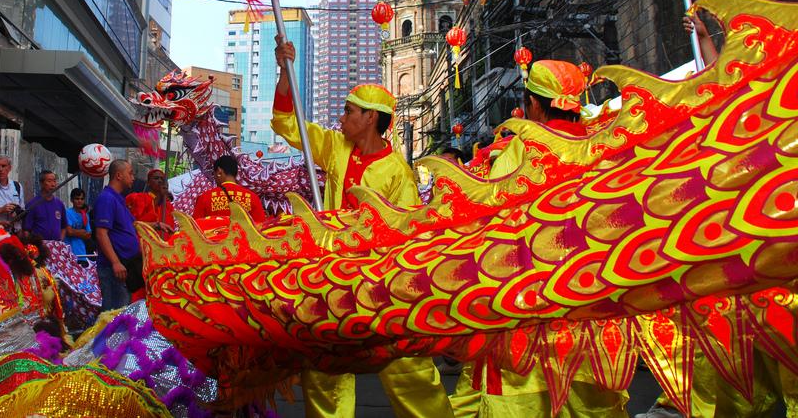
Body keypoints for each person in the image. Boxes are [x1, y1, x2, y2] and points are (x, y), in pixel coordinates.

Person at [272, 37, 452, 418]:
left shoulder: (397, 172)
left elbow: (408, 233)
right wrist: (284, 72)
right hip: (332, 279)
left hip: (380, 287)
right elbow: (290, 125)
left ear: (370, 118)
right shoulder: (334, 147)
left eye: (348, 111)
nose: (341, 118)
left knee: (409, 374)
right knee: (324, 374)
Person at [451, 60, 627, 417]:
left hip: (527, 314)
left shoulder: (520, 152)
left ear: (533, 104)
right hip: (595, 313)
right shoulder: (605, 148)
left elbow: (489, 225)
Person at [92, 159, 143, 310]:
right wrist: (115, 262)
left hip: (126, 265)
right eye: (130, 173)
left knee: (122, 311)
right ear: (119, 175)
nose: (133, 177)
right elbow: (101, 233)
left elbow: (132, 225)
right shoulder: (107, 198)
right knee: (114, 315)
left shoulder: (118, 199)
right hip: (113, 268)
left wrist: (157, 225)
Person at [192, 155, 267, 224]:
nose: (214, 178)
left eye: (213, 174)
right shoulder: (252, 198)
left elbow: (195, 230)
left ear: (219, 172)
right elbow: (261, 228)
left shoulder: (205, 198)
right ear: (236, 173)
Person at [126, 168, 177, 234]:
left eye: (162, 179)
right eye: (156, 178)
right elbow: (133, 224)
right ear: (148, 183)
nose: (160, 181)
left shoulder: (167, 206)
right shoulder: (139, 197)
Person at [23, 170, 68, 242]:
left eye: (54, 181)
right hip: (39, 246)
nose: (53, 184)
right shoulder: (32, 204)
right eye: (49, 181)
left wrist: (60, 241)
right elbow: (26, 230)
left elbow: (64, 227)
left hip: (56, 246)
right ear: (41, 183)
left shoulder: (60, 204)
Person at [65, 188, 92, 262]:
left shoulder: (85, 215)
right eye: (77, 199)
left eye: (82, 199)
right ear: (71, 200)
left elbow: (89, 234)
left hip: (82, 253)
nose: (80, 201)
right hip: (68, 253)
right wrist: (82, 232)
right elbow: (69, 232)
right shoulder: (67, 212)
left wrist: (75, 232)